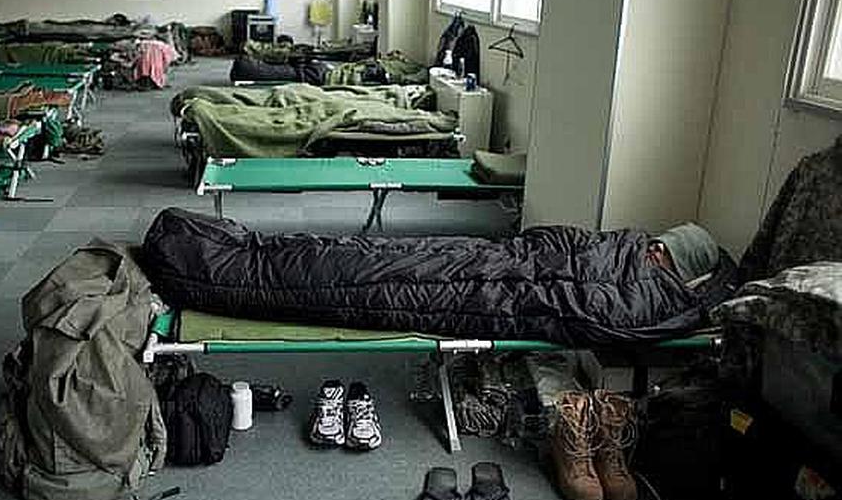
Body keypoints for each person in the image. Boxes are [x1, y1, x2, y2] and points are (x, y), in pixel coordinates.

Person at [143, 209, 735, 347]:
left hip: (481, 287)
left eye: (663, 251)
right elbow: (550, 244)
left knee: (338, 279)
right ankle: (207, 250)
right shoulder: (625, 257)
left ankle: (199, 261)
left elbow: (577, 309)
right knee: (340, 256)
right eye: (655, 244)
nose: (653, 248)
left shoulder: (646, 297)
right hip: (481, 257)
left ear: (672, 269)